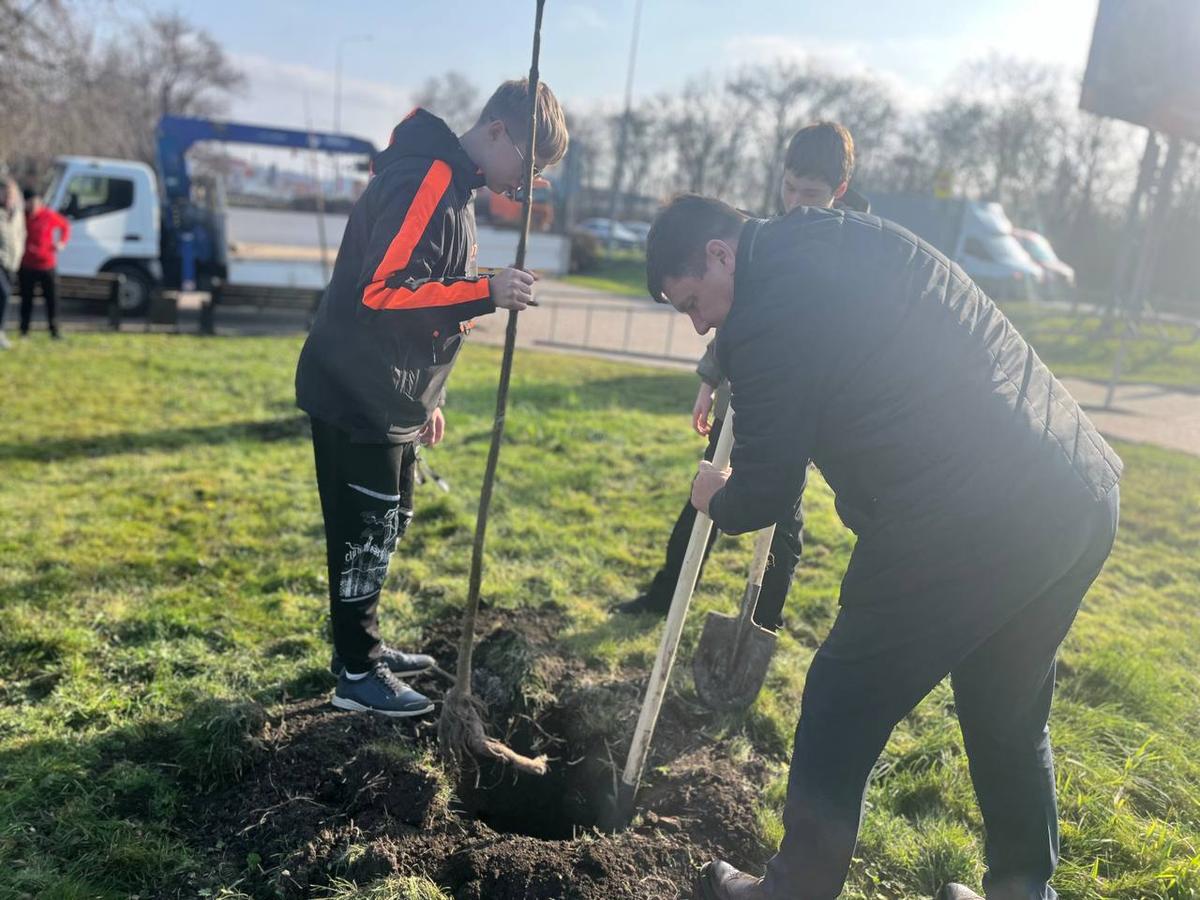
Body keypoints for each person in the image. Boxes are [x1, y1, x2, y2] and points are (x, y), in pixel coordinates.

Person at [643, 194, 1121, 900]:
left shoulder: (765, 312)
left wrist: (716, 495)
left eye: (692, 303)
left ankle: (793, 891)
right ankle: (1023, 893)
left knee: (842, 698)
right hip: (1073, 490)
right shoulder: (832, 235)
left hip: (965, 514)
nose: (700, 324)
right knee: (1007, 709)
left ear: (720, 254)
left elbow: (766, 491)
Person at [295, 79, 569, 717]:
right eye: (528, 165)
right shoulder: (426, 178)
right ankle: (356, 675)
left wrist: (428, 397)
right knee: (365, 533)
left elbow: (429, 293)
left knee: (390, 522)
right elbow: (383, 290)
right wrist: (486, 291)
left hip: (393, 396)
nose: (525, 184)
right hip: (356, 391)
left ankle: (362, 645)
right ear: (497, 132)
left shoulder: (456, 189)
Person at [617, 123, 863, 629]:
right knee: (705, 492)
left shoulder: (845, 249)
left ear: (838, 191)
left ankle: (760, 621)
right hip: (743, 396)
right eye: (788, 188)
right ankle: (666, 594)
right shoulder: (756, 238)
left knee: (781, 518)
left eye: (810, 194)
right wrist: (710, 379)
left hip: (794, 410)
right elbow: (726, 315)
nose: (795, 203)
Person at [17, 187, 70, 340]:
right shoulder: (21, 217)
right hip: (27, 264)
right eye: (30, 203)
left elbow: (65, 226)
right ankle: (24, 331)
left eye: (36, 202)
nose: (34, 206)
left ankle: (54, 331)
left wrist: (61, 242)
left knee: (52, 299)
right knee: (26, 299)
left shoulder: (48, 215)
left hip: (47, 264)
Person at [0, 178, 26, 349]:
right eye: (5, 194)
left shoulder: (17, 214)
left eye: (11, 194)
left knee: (5, 296)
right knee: (4, 293)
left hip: (13, 261)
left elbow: (21, 234)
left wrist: (19, 254)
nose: (8, 197)